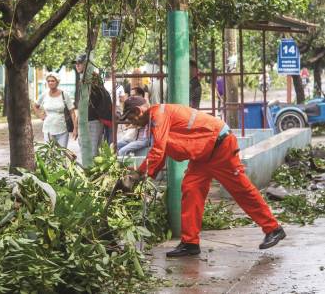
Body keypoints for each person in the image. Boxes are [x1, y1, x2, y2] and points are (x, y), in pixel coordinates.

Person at [120, 96, 286, 257]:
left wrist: (137, 175)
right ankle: (190, 243)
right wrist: (145, 174)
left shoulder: (158, 115)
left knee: (241, 190)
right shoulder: (156, 118)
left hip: (220, 147)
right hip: (203, 154)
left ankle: (273, 229)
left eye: (131, 117)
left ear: (138, 110)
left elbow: (158, 150)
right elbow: (161, 152)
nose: (131, 122)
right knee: (191, 189)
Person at [73, 53, 112, 157]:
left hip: (93, 121)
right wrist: (76, 126)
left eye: (80, 63)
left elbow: (89, 102)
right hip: (87, 121)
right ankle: (91, 172)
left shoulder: (92, 78)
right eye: (76, 63)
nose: (77, 65)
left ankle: (90, 172)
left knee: (91, 152)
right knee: (89, 151)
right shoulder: (84, 78)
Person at [33, 72, 77, 148]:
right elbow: (35, 106)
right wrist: (40, 115)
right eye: (49, 81)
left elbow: (72, 112)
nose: (50, 82)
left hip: (62, 130)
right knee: (50, 155)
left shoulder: (64, 94)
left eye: (53, 81)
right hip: (48, 130)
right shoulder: (44, 94)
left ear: (57, 82)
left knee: (62, 154)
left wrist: (75, 128)